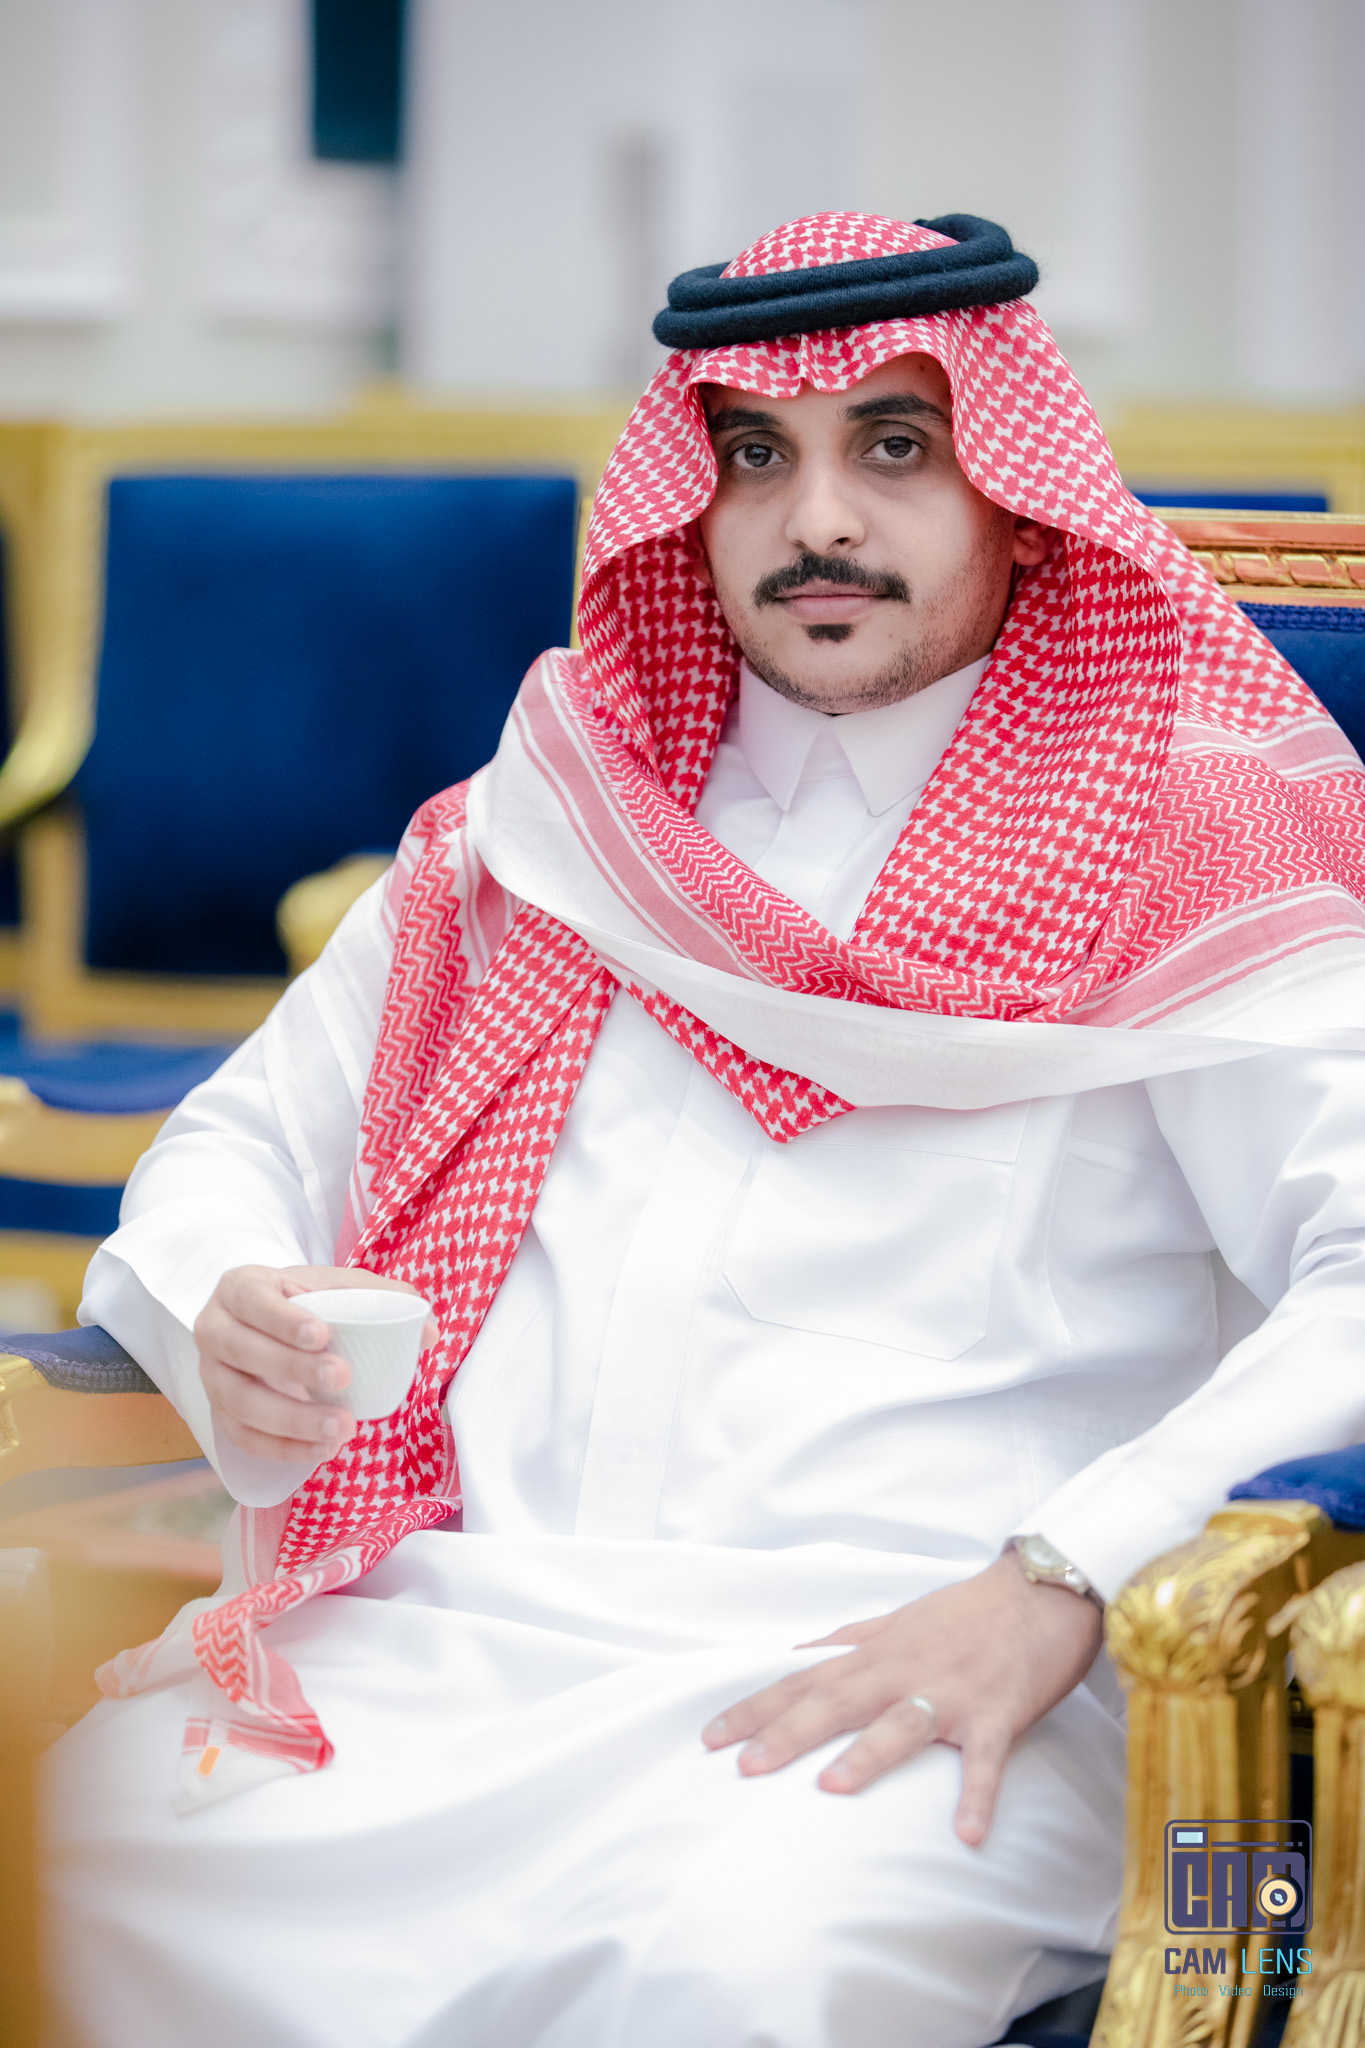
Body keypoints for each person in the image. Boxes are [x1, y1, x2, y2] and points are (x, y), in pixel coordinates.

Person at [43, 212, 1365, 2048]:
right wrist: (221, 1304)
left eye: (892, 446)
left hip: (919, 1670)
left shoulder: (1184, 841)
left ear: (1011, 484)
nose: (815, 519)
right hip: (448, 1636)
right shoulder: (551, 826)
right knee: (64, 1866)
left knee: (731, 1975)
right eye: (753, 453)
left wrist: (1067, 1573)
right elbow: (232, 1146)